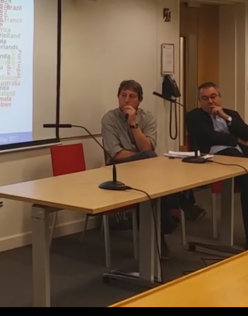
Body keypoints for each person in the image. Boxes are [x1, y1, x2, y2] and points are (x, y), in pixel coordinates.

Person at [101, 79, 176, 258]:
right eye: (123, 95)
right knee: (153, 163)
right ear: (118, 97)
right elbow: (117, 154)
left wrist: (133, 124)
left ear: (139, 100)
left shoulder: (148, 118)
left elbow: (147, 147)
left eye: (132, 96)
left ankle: (156, 235)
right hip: (119, 169)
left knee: (155, 183)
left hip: (146, 169)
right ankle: (177, 207)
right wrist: (142, 154)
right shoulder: (109, 119)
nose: (126, 100)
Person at [185, 81, 248, 249]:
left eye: (213, 97)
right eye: (205, 98)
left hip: (239, 155)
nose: (210, 101)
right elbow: (208, 136)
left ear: (220, 97)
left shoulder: (231, 114)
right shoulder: (193, 116)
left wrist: (226, 118)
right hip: (212, 156)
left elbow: (247, 133)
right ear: (200, 101)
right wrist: (236, 140)